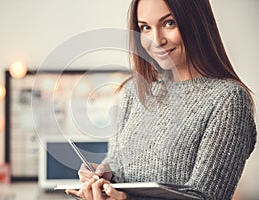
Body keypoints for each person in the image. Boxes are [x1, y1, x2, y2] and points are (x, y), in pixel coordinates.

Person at [66, 0, 257, 199]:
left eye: (169, 23)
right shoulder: (135, 90)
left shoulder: (228, 100)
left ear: (196, 22)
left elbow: (206, 197)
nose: (156, 40)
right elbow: (119, 168)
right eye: (145, 28)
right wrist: (106, 177)